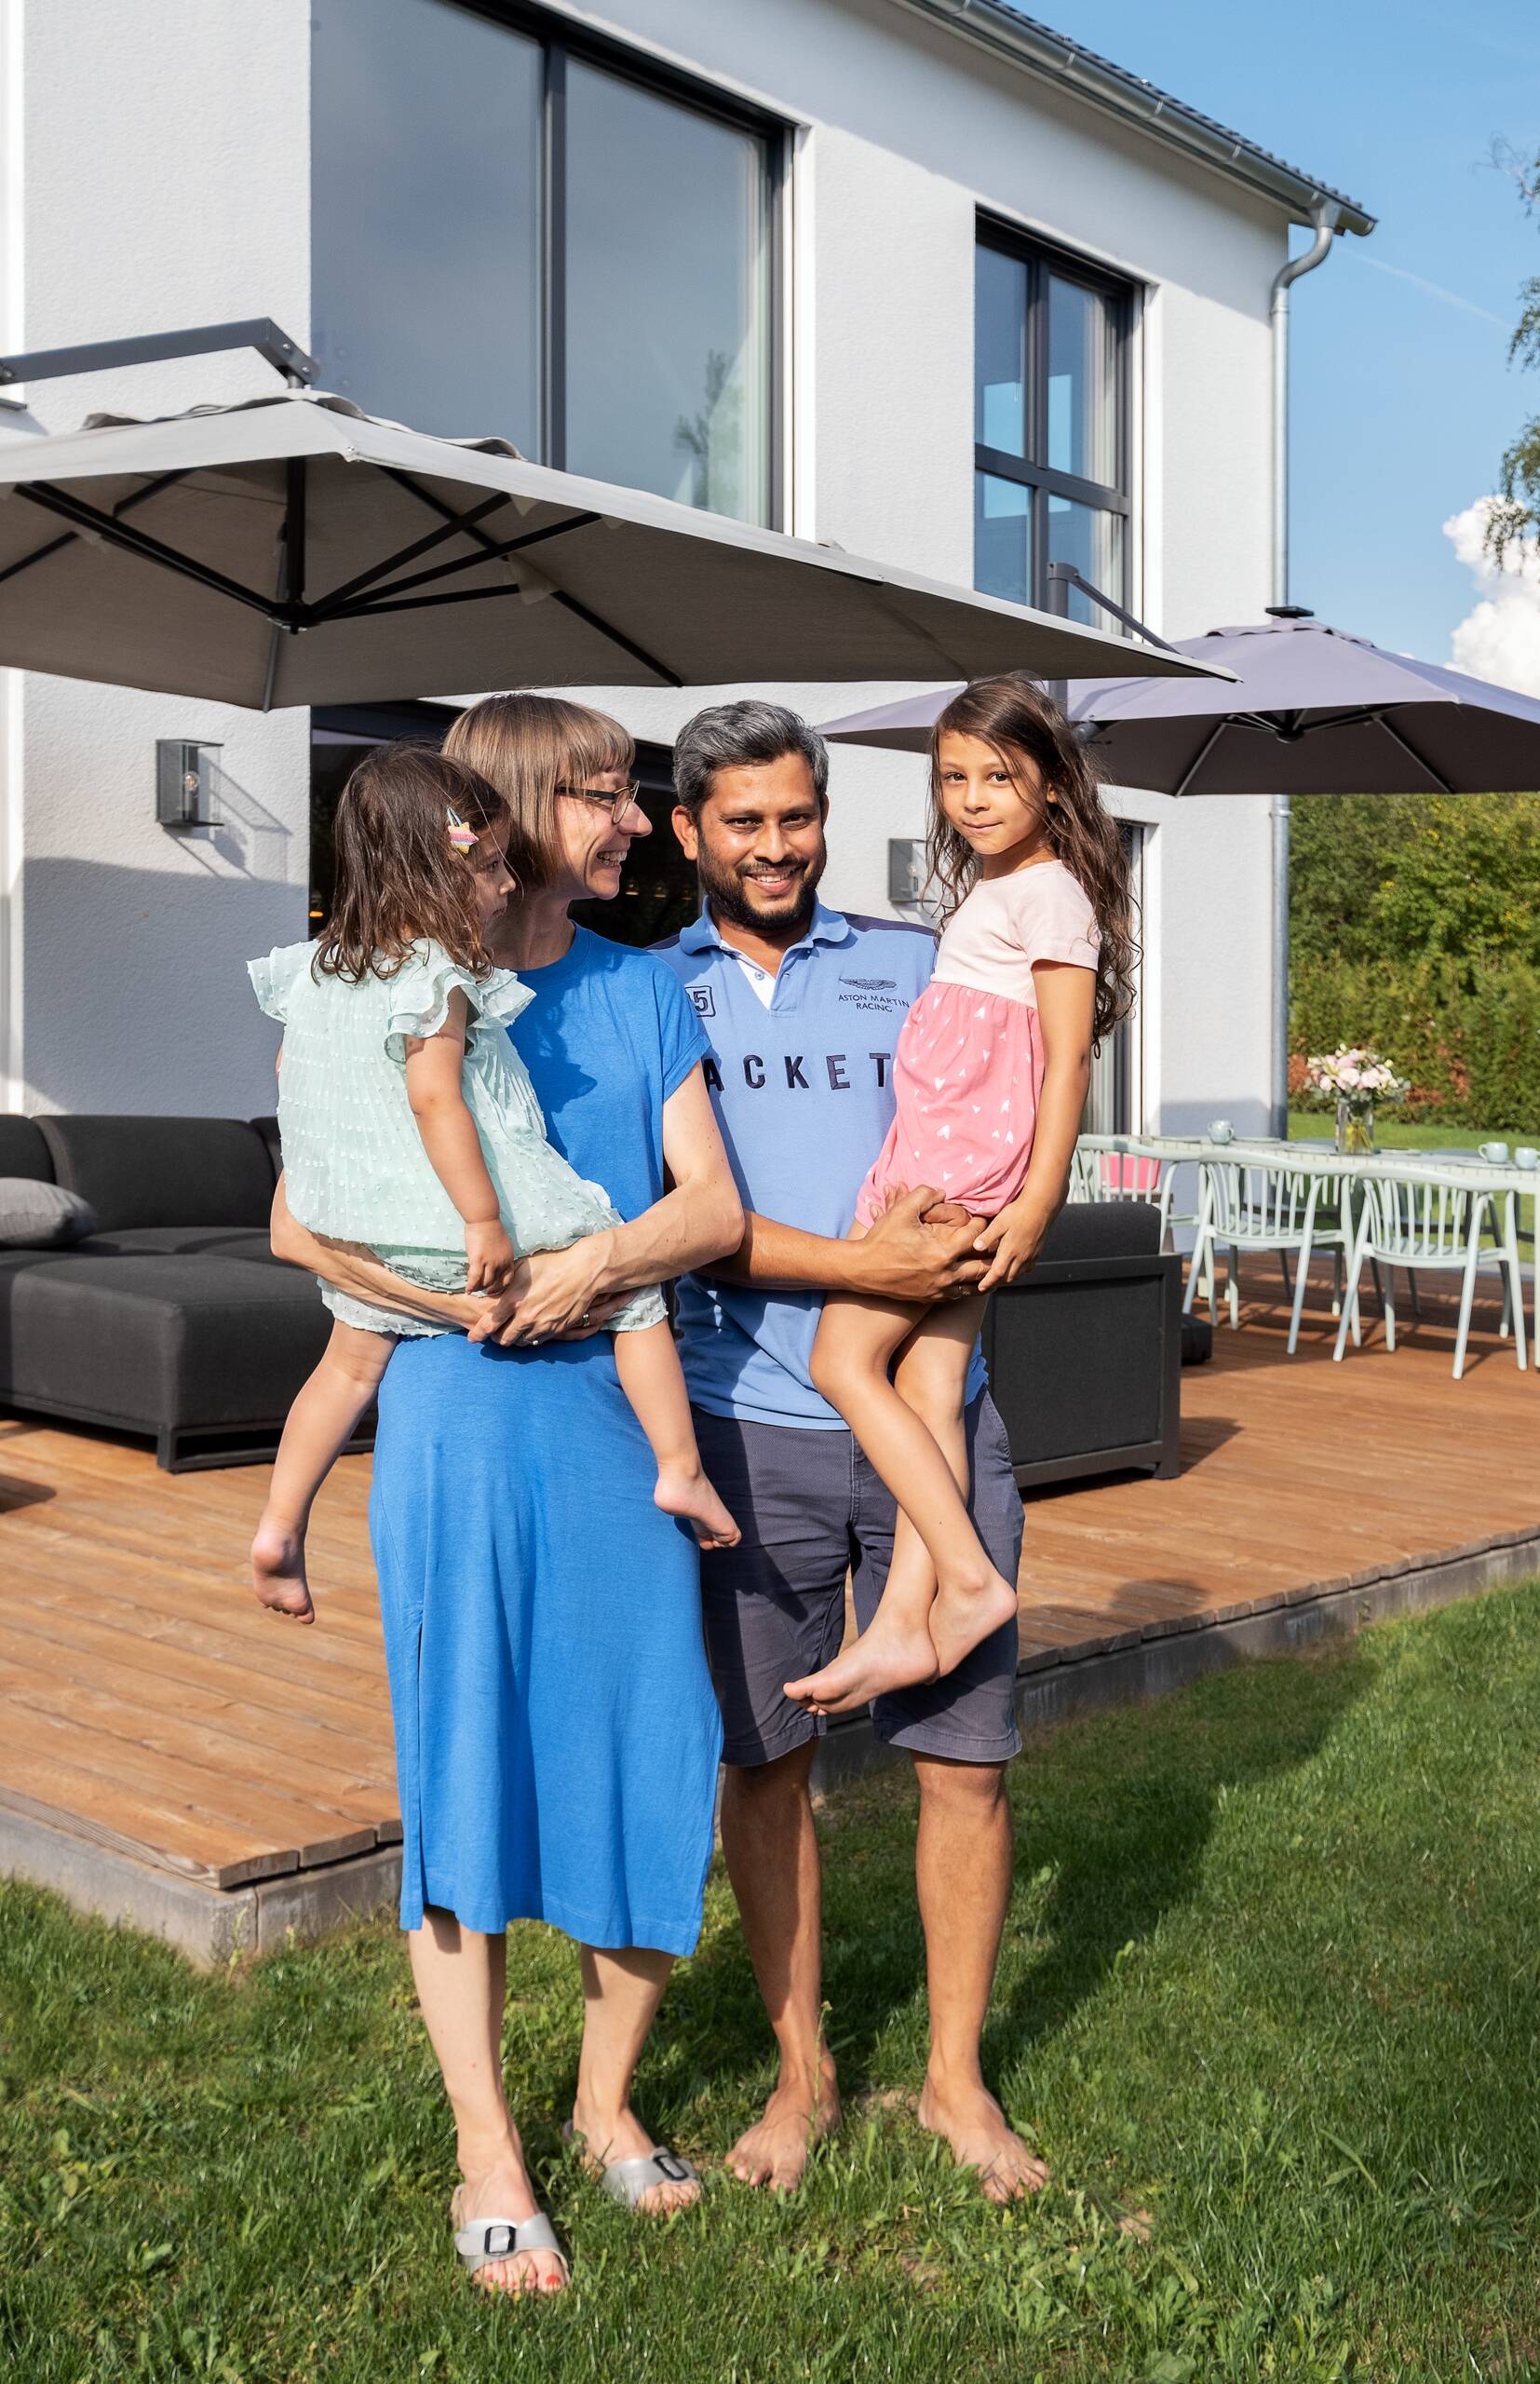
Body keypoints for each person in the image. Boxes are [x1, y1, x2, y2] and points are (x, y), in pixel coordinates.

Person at [263, 697, 741, 2297]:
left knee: (650, 1744)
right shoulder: (377, 982)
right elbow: (294, 1225)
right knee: (463, 1766)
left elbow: (710, 1210)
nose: (634, 822)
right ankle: (489, 2145)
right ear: (518, 809)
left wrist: (586, 1266)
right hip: (456, 1411)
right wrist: (454, 1299)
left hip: (621, 1414)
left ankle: (602, 2104)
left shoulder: (641, 989)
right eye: (605, 793)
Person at [653, 698, 1050, 2202]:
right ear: (687, 831)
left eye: (797, 816)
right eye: (743, 822)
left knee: (964, 1766)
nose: (776, 846)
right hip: (740, 1435)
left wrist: (957, 1252)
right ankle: (800, 2073)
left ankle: (952, 2079)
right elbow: (674, 1223)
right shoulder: (650, 993)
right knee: (766, 1767)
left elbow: (1002, 1128)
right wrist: (860, 1265)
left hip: (929, 1427)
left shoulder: (915, 962)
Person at [248, 744, 735, 1625]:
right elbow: (436, 1099)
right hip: (466, 1311)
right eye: (489, 864)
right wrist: (483, 1225)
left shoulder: (317, 973)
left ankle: (280, 1524)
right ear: (440, 870)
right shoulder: (442, 979)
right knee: (635, 1299)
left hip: (377, 1235)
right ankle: (681, 1468)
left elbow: (302, 1109)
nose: (504, 882)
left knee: (344, 1367)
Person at [788, 675, 1130, 1715]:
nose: (973, 798)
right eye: (953, 778)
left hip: (962, 1175)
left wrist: (1037, 1198)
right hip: (947, 1162)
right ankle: (906, 1618)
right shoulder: (1000, 888)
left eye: (999, 776)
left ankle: (969, 1579)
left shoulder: (1049, 894)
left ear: (1053, 784)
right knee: (930, 1387)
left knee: (841, 1361)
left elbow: (1067, 1061)